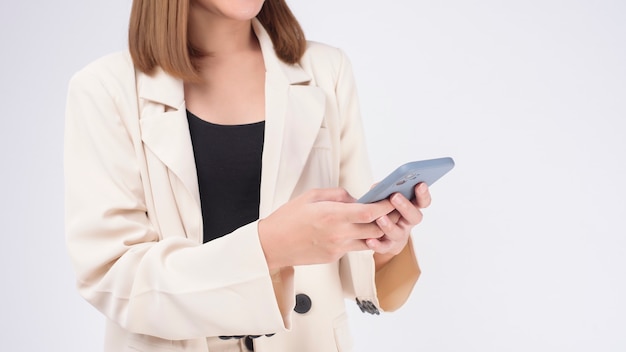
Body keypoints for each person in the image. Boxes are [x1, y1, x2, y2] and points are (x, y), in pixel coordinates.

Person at [64, 0, 432, 351]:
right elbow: (112, 274)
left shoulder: (326, 70)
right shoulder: (105, 88)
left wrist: (384, 239)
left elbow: (351, 259)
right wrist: (268, 246)